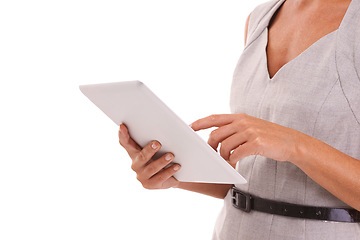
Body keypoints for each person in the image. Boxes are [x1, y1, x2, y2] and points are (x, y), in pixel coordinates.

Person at [118, 0, 360, 239]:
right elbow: (255, 181)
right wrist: (172, 173)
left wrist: (296, 145)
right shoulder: (260, 17)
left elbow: (288, 149)